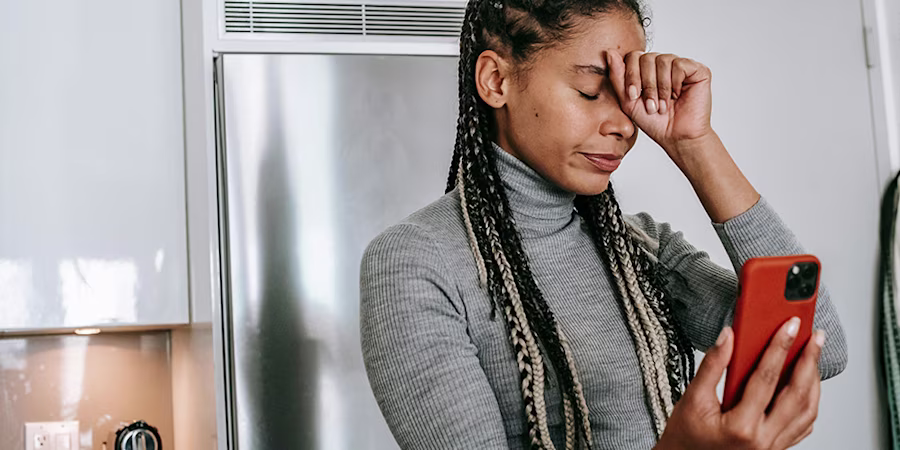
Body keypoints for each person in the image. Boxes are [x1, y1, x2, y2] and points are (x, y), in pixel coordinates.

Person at [359, 0, 848, 448]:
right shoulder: (415, 263)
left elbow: (817, 342)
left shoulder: (640, 247)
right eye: (592, 90)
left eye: (627, 95)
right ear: (496, 81)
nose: (624, 124)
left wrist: (693, 142)